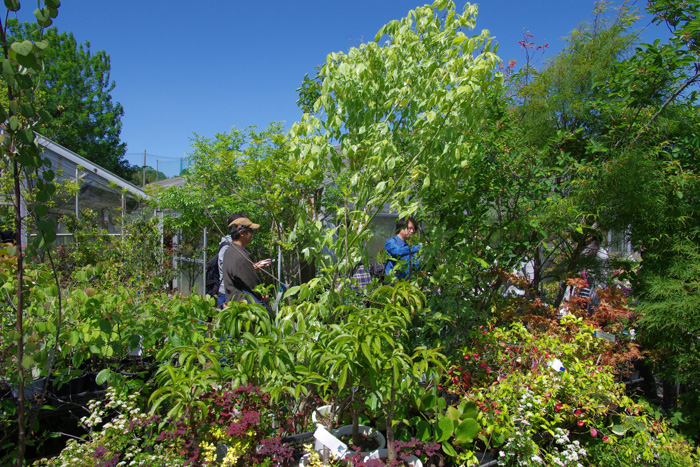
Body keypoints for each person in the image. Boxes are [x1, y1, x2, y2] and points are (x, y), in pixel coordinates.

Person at [222, 215, 272, 308]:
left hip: (234, 303)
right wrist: (262, 293)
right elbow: (253, 285)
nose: (252, 234)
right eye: (250, 231)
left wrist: (253, 267)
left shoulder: (229, 251)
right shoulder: (240, 257)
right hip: (245, 308)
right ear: (242, 233)